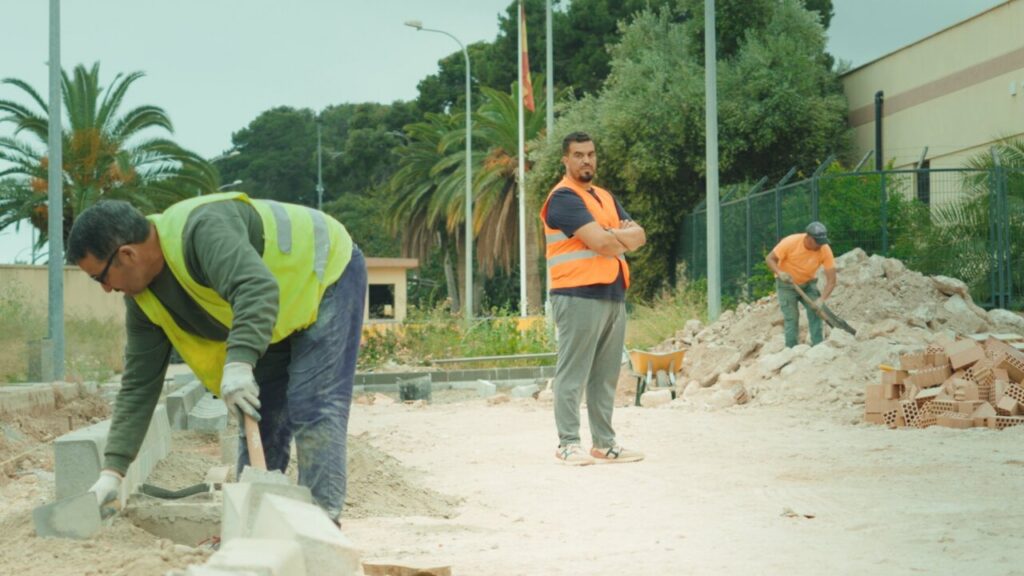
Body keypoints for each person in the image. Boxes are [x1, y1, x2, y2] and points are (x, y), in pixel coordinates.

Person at [66, 192, 366, 525]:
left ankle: (320, 530)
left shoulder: (201, 230)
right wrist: (113, 472)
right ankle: (255, 524)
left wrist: (239, 363)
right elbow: (138, 387)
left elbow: (255, 287)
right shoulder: (144, 302)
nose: (105, 289)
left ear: (127, 254)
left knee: (313, 405)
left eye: (100, 277)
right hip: (276, 313)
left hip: (323, 273)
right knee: (259, 411)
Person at [540, 131, 646, 466]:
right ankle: (568, 443)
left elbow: (640, 235)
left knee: (605, 375)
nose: (587, 160)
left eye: (591, 154)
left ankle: (604, 443)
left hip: (613, 294)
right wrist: (616, 237)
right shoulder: (564, 198)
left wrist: (610, 235)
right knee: (572, 373)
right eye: (578, 155)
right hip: (576, 295)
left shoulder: (604, 197)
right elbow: (601, 245)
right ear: (566, 160)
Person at [764, 221, 836, 348]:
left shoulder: (824, 249)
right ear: (808, 238)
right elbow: (770, 258)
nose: (820, 245)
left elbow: (832, 280)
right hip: (786, 285)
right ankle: (791, 350)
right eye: (817, 242)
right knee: (792, 317)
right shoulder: (790, 242)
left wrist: (822, 299)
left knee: (816, 313)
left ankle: (818, 347)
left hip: (809, 284)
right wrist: (780, 273)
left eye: (822, 242)